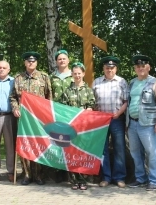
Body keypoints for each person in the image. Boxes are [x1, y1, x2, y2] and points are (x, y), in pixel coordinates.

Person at [10, 51, 52, 185]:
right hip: (24, 118)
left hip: (39, 119)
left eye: (33, 61)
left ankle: (39, 175)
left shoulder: (44, 77)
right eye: (28, 61)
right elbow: (12, 97)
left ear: (36, 62)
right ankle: (27, 174)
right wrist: (15, 108)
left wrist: (48, 115)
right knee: (25, 144)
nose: (31, 63)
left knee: (39, 144)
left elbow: (49, 97)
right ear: (25, 62)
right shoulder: (18, 78)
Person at [127, 55, 156, 191]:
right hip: (132, 123)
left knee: (152, 152)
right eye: (138, 66)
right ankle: (141, 178)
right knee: (135, 152)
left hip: (148, 124)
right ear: (135, 68)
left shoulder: (155, 82)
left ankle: (154, 180)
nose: (140, 68)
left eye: (143, 66)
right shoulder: (132, 83)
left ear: (148, 67)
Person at [92, 56, 128, 188]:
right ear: (103, 68)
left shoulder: (122, 82)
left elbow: (126, 101)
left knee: (119, 148)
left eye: (112, 68)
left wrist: (118, 113)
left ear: (116, 69)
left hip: (116, 119)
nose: (109, 70)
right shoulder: (96, 82)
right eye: (107, 67)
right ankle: (106, 177)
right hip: (101, 121)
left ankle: (119, 177)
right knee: (103, 150)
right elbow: (92, 102)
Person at [61, 62, 95, 190]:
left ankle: (83, 180)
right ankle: (73, 180)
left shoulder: (88, 90)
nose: (77, 76)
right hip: (71, 127)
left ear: (83, 74)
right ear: (71, 74)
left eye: (79, 73)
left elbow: (92, 105)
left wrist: (87, 112)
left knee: (83, 152)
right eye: (74, 73)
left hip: (84, 127)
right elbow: (63, 108)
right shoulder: (67, 91)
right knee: (72, 152)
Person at [49, 49, 73, 182]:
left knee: (70, 143)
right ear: (56, 62)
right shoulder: (52, 77)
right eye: (59, 59)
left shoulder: (74, 75)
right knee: (57, 143)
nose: (62, 61)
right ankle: (58, 172)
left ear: (68, 60)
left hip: (71, 115)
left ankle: (70, 172)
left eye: (64, 58)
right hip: (57, 115)